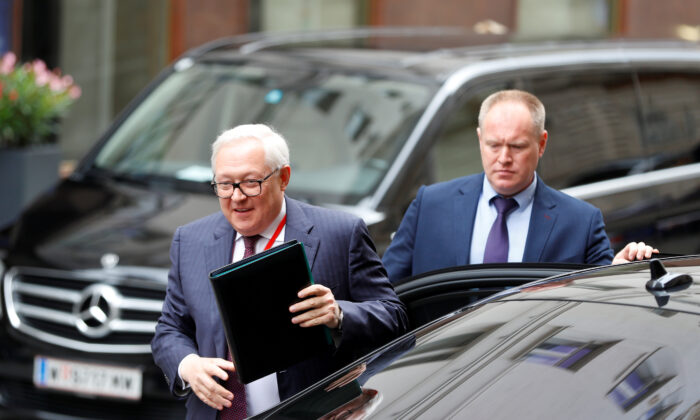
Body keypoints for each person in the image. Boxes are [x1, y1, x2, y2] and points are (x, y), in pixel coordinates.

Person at [151, 124, 408, 419]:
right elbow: (170, 329)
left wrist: (339, 315)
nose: (236, 197)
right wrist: (187, 365)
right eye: (224, 184)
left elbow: (394, 317)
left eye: (250, 182)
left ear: (283, 177)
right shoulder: (190, 241)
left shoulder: (341, 233)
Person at [383, 89, 657, 283]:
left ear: (542, 144)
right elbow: (385, 296)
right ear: (479, 140)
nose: (503, 158)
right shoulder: (431, 205)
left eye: (517, 146)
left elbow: (597, 298)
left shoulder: (580, 222)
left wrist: (618, 272)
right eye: (493, 145)